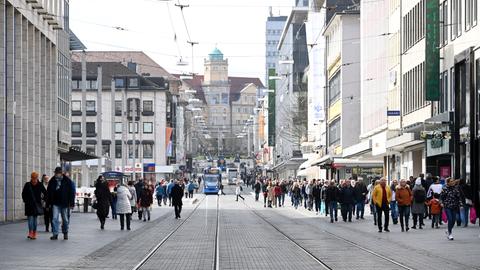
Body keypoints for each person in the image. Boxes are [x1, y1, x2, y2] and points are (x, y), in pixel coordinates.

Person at [46, 167, 75, 240]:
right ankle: (55, 234)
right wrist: (47, 204)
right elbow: (48, 193)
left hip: (64, 203)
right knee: (54, 218)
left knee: (65, 219)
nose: (56, 174)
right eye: (56, 173)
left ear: (61, 173)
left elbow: (72, 192)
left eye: (58, 173)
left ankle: (65, 232)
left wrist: (71, 203)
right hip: (55, 203)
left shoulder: (67, 181)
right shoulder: (52, 181)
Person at [22, 172, 46, 240]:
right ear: (31, 178)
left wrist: (43, 200)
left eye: (35, 178)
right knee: (30, 219)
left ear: (37, 178)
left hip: (36, 205)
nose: (34, 180)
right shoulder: (27, 184)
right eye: (33, 178)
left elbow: (45, 193)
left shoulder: (40, 184)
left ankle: (34, 233)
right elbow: (23, 194)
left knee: (34, 219)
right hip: (29, 205)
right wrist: (26, 201)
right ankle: (30, 232)